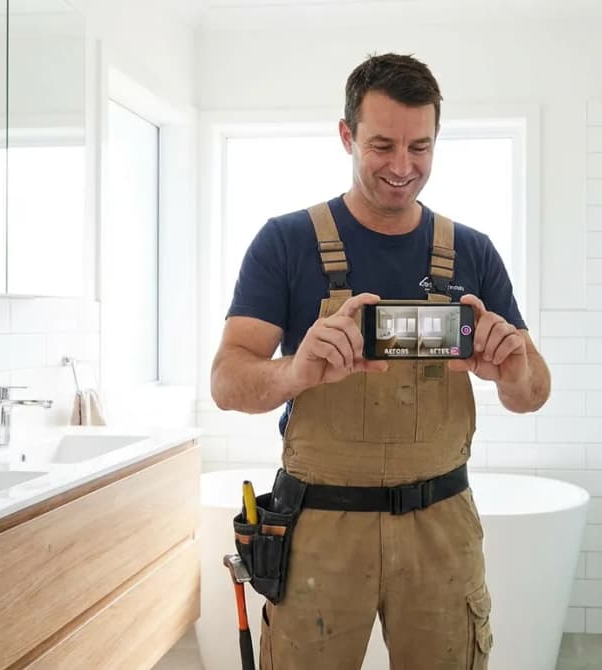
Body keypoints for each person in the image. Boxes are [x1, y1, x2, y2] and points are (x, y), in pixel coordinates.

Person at [211, 52, 551, 670]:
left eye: (420, 147)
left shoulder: (472, 251)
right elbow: (227, 382)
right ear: (347, 135)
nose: (402, 167)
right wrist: (295, 370)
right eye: (382, 145)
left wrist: (514, 368)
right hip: (320, 530)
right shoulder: (285, 242)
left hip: (441, 529)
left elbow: (532, 394)